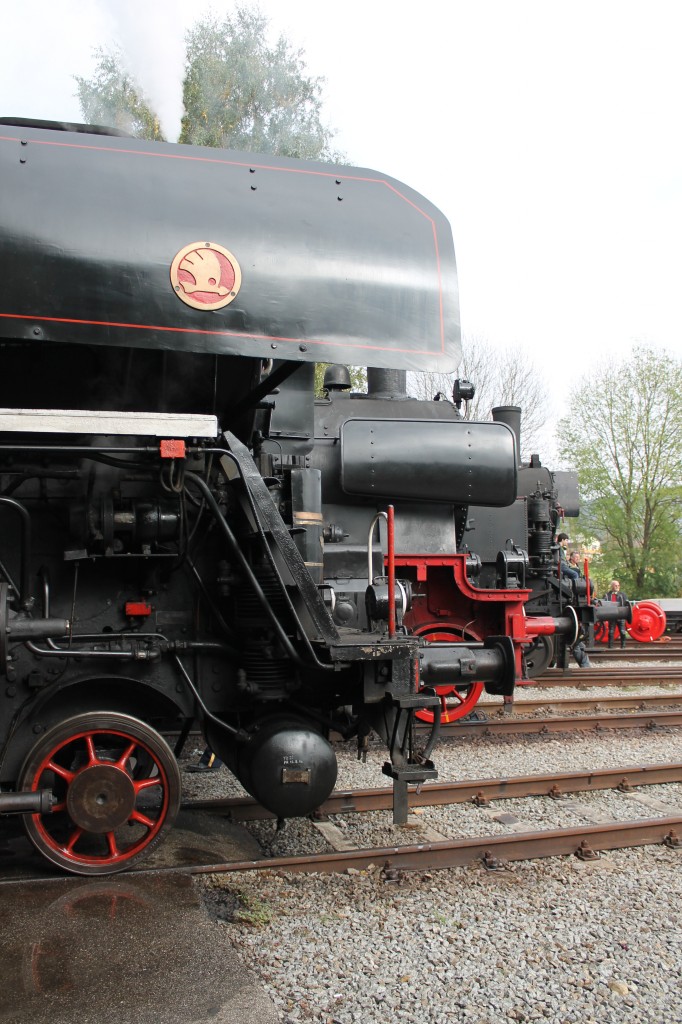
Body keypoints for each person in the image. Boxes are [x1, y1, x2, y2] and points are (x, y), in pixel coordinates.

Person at [603, 579, 627, 648]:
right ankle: (610, 646)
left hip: (621, 615)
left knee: (622, 632)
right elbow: (604, 605)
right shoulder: (607, 595)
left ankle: (623, 646)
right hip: (612, 615)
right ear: (612, 586)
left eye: (618, 585)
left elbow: (626, 604)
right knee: (611, 632)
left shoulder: (623, 595)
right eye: (615, 585)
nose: (617, 587)